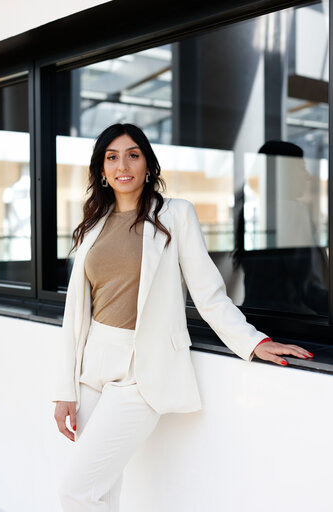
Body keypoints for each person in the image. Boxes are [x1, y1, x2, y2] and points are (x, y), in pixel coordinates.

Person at [52, 123, 313, 511]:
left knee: (74, 491)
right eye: (112, 157)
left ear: (147, 164)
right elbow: (75, 316)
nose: (123, 165)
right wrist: (65, 391)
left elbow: (209, 293)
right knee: (102, 492)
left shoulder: (175, 215)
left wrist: (254, 341)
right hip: (93, 368)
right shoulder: (93, 225)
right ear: (102, 171)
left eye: (133, 155)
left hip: (143, 373)